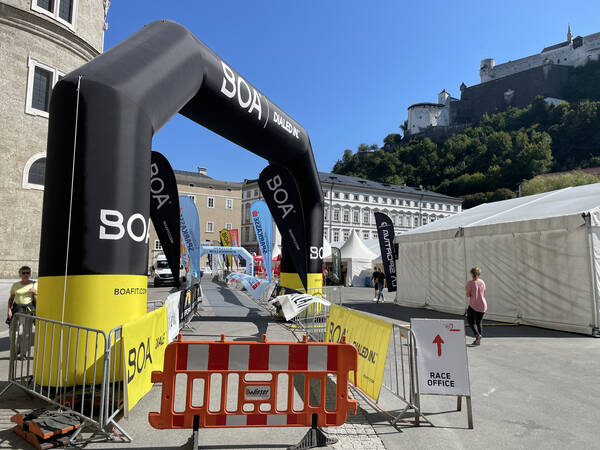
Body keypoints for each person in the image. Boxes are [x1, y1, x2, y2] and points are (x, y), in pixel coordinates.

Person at [7, 266, 37, 356]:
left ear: (30, 274)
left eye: (28, 273)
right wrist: (9, 309)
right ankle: (16, 350)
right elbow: (11, 298)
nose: (26, 275)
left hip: (28, 310)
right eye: (23, 273)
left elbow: (43, 294)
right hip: (16, 310)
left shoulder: (34, 284)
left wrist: (36, 292)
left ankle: (23, 354)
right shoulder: (15, 285)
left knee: (26, 334)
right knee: (13, 333)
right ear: (20, 274)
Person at [465, 267, 487, 345]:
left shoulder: (470, 283)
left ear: (472, 274)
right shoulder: (482, 282)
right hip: (483, 304)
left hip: (474, 304)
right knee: (479, 322)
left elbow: (468, 295)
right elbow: (484, 292)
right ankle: (478, 340)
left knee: (470, 321)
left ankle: (477, 335)